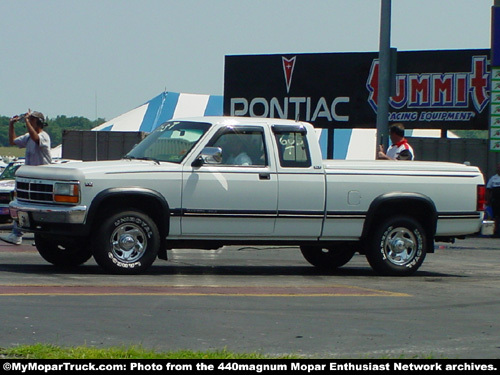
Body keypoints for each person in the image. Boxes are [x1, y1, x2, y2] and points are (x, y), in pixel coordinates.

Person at [0, 110, 52, 245]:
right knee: (23, 206)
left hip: (42, 178)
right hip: (30, 178)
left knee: (41, 208)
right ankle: (17, 234)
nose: (30, 122)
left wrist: (27, 121)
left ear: (39, 122)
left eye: (33, 120)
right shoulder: (28, 137)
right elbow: (13, 141)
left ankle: (43, 237)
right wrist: (11, 125)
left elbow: (36, 139)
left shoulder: (43, 136)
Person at [486, 162, 500, 237]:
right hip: (496, 201)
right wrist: (488, 200)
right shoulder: (493, 178)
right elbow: (488, 189)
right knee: (495, 217)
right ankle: (495, 232)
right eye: (498, 168)